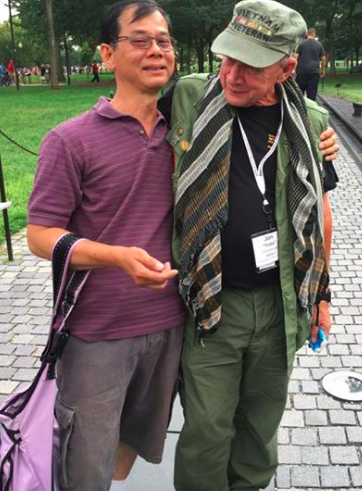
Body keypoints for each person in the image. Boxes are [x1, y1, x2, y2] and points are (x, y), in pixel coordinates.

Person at [165, 1, 334, 490]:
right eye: (227, 58)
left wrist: (321, 291)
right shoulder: (191, 97)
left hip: (281, 304)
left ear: (286, 67)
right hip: (215, 302)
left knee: (260, 429)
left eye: (250, 65)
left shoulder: (311, 122)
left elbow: (320, 210)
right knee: (206, 430)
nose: (233, 75)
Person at [26, 2, 186, 490]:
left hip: (170, 327)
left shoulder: (184, 133)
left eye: (164, 40)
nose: (156, 50)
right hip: (97, 333)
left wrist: (318, 135)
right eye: (139, 39)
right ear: (107, 54)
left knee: (133, 443)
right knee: (84, 465)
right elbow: (39, 235)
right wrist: (115, 257)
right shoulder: (70, 140)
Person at [296, 27, 326, 101]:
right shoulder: (319, 44)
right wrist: (323, 70)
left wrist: (293, 70)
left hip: (301, 72)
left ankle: (301, 111)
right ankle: (311, 111)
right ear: (314, 34)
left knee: (299, 95)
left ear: (307, 34)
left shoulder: (301, 44)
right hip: (314, 72)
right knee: (312, 96)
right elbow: (323, 58)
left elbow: (295, 57)